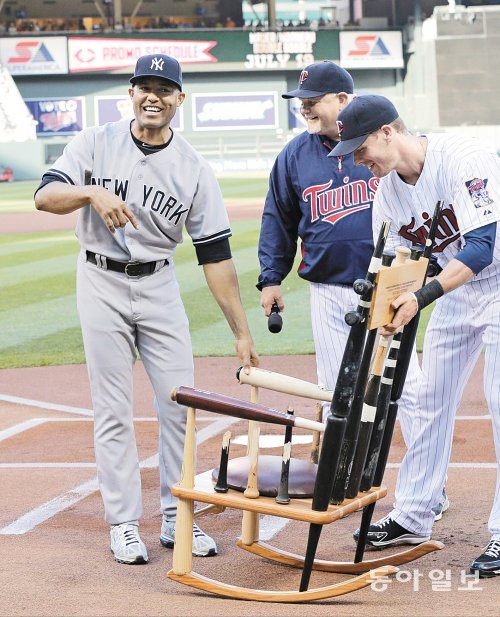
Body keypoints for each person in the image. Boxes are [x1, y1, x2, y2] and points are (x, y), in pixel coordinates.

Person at [34, 53, 259, 565]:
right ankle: (124, 524)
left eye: (165, 87)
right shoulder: (95, 141)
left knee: (179, 404)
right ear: (131, 94)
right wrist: (90, 191)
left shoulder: (194, 169)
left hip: (158, 286)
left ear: (180, 99)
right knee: (112, 409)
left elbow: (215, 255)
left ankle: (178, 517)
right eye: (144, 86)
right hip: (99, 281)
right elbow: (45, 197)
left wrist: (241, 331)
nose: (153, 95)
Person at [255, 62, 448, 515]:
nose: (304, 107)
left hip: (388, 288)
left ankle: (429, 490)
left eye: (313, 99)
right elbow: (278, 219)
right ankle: (343, 481)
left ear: (343, 100)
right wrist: (270, 277)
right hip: (327, 288)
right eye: (300, 100)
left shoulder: (380, 145)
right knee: (336, 390)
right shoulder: (294, 156)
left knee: (411, 392)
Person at [330, 94, 500, 577]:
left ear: (388, 131)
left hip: (497, 279)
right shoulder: (387, 195)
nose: (359, 161)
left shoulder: (463, 159)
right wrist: (385, 308)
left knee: (499, 399)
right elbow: (399, 266)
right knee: (427, 398)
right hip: (454, 290)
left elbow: (484, 248)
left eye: (361, 149)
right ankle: (414, 514)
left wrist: (419, 299)